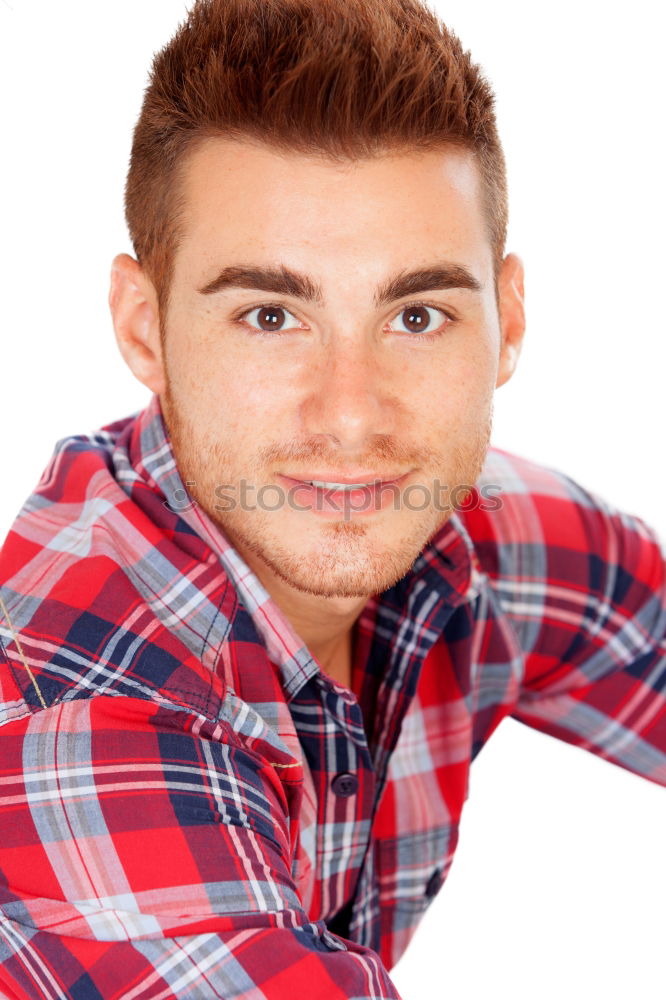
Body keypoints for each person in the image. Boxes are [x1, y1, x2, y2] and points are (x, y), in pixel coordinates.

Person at [0, 0, 663, 996]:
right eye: (271, 315)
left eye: (417, 314)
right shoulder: (76, 720)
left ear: (509, 319)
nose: (353, 421)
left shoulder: (471, 532)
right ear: (144, 329)